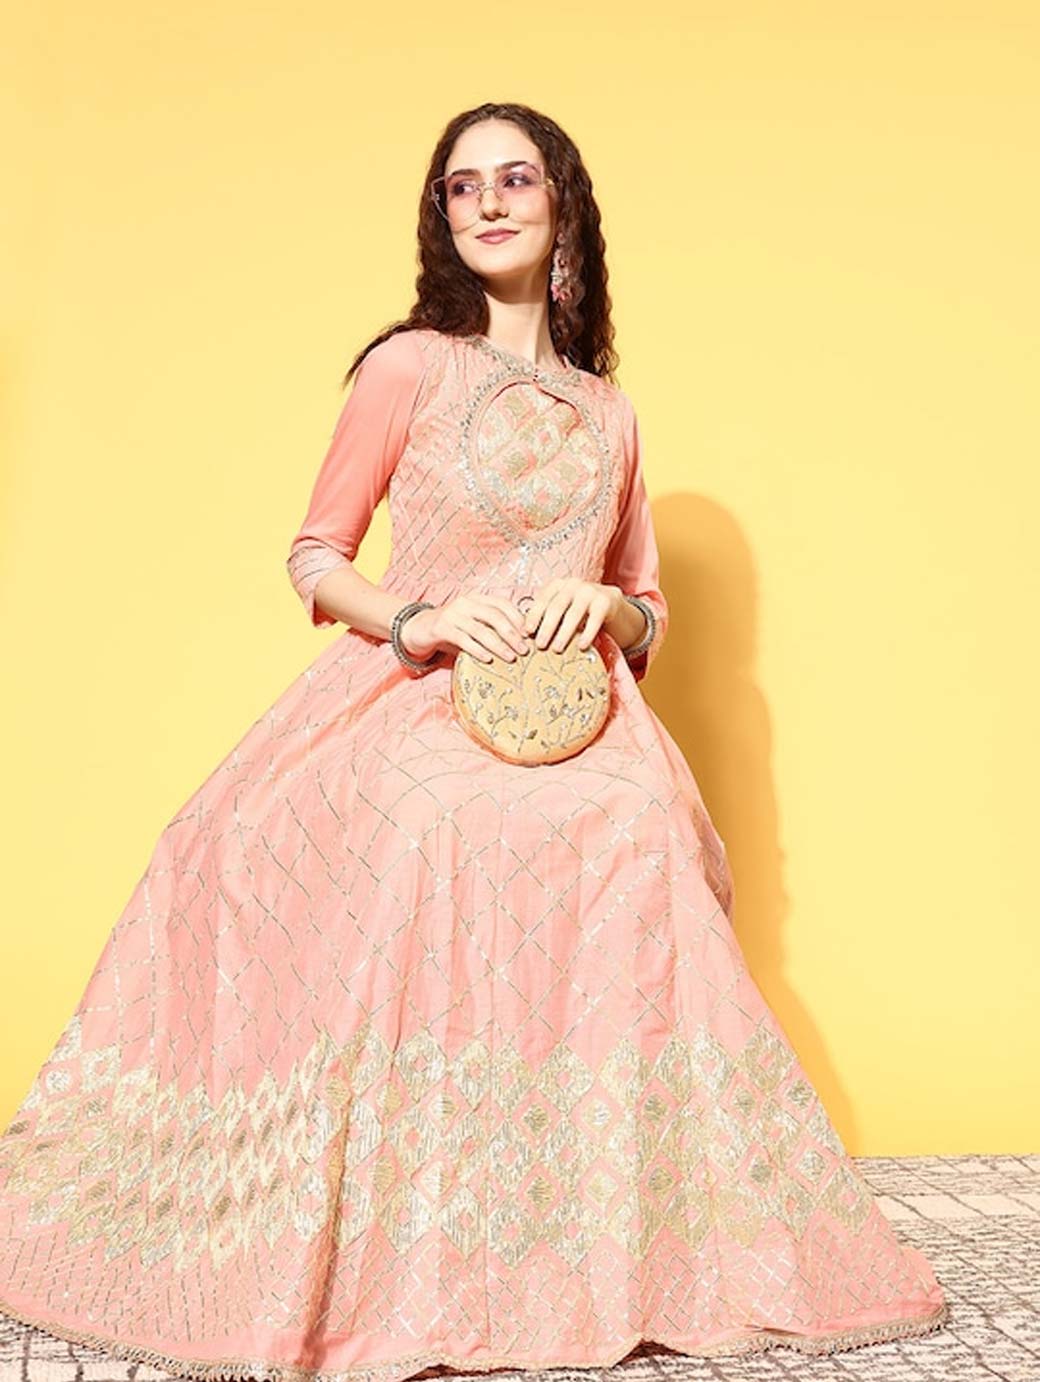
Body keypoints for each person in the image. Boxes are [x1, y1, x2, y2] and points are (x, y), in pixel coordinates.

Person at [0, 100, 949, 1381]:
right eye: (462, 185)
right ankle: (400, 1243)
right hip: (415, 686)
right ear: (441, 217)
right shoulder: (406, 368)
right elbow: (316, 554)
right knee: (431, 827)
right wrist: (423, 618)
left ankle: (596, 1242)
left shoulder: (609, 411)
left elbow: (647, 599)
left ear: (563, 208)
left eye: (516, 178)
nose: (489, 201)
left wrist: (608, 607)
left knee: (641, 825)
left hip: (581, 711)